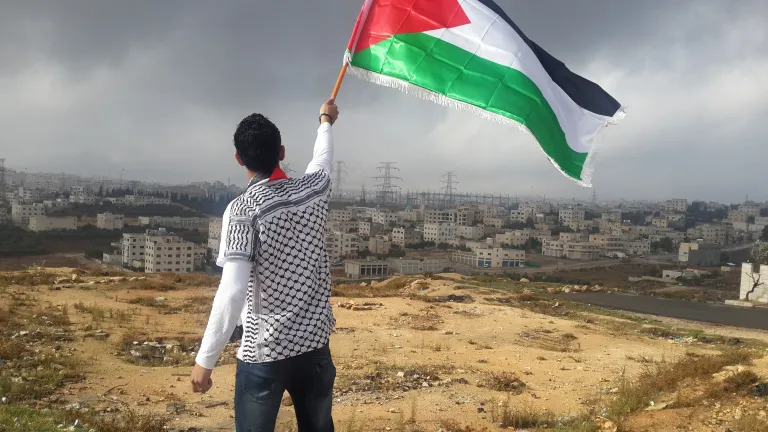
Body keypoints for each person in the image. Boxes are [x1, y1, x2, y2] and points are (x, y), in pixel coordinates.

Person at [190, 99, 340, 432]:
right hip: (314, 344)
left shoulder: (243, 210)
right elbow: (323, 159)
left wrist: (206, 360)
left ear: (239, 158)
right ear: (282, 152)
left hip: (264, 351)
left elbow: (232, 292)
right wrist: (325, 121)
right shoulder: (312, 191)